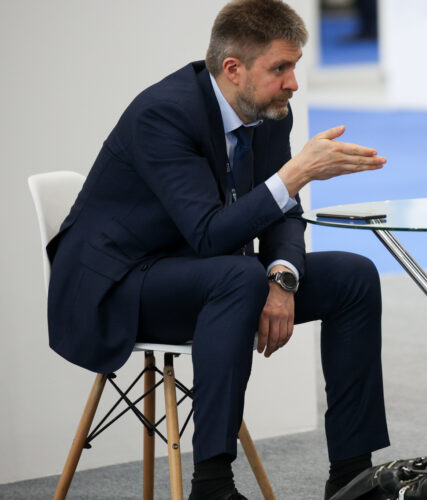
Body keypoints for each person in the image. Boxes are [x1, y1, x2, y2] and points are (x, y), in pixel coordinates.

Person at [46, 1, 389, 498]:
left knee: (353, 276)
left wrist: (283, 277)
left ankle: (353, 480)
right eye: (280, 68)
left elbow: (283, 213)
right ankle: (212, 485)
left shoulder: (269, 111)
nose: (293, 83)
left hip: (202, 274)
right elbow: (209, 232)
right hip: (119, 284)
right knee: (238, 277)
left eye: (295, 67)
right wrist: (295, 175)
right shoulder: (162, 114)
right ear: (233, 69)